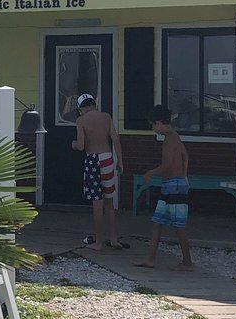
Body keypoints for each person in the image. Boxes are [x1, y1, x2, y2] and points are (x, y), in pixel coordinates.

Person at [133, 104, 193, 271]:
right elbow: (185, 154)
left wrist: (150, 173)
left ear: (159, 122)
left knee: (178, 227)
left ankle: (187, 262)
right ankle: (150, 259)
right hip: (170, 185)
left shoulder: (170, 140)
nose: (153, 129)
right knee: (157, 222)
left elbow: (166, 165)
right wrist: (185, 173)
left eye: (153, 125)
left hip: (174, 186)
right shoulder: (175, 138)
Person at [71, 93, 126, 251]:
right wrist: (120, 161)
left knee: (97, 202)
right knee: (109, 201)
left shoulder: (81, 120)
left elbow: (81, 146)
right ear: (94, 104)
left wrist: (73, 144)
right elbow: (115, 139)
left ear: (82, 108)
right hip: (108, 158)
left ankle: (99, 242)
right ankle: (114, 239)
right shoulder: (106, 117)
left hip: (93, 160)